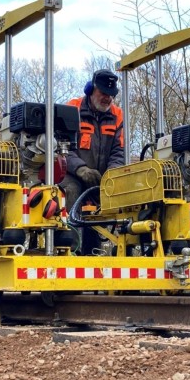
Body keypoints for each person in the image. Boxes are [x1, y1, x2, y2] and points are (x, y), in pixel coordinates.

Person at [61, 69, 125, 255]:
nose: (107, 98)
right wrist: (81, 169)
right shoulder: (72, 109)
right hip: (72, 173)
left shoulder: (117, 115)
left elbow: (118, 151)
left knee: (103, 207)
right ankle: (68, 248)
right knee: (71, 192)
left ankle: (93, 253)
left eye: (111, 95)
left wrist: (111, 177)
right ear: (91, 89)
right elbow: (63, 148)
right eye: (103, 93)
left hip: (101, 177)